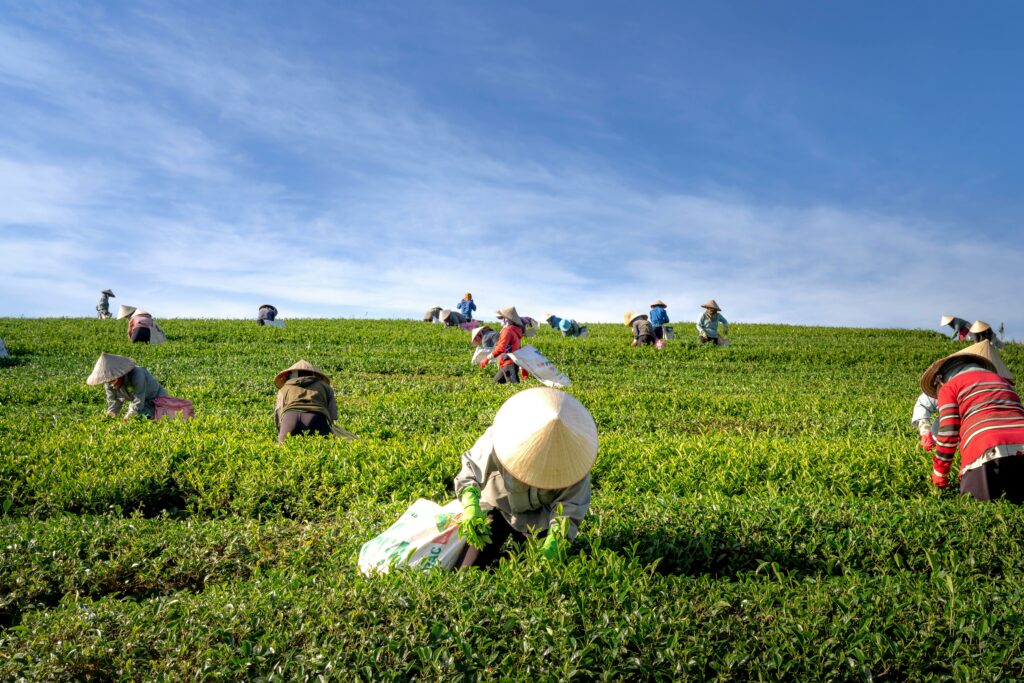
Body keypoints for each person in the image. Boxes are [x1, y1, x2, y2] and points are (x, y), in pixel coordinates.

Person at [454, 387, 598, 568]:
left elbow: (569, 510)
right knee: (468, 566)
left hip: (538, 519)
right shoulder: (499, 437)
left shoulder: (575, 465)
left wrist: (555, 542)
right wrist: (470, 505)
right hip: (498, 506)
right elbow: (470, 470)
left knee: (529, 569)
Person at [921, 340, 1024, 501]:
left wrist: (939, 473)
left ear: (941, 379)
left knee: (978, 509)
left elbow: (948, 432)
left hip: (986, 448)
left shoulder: (950, 386)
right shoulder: (1003, 382)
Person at [274, 360, 354, 444]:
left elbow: (278, 410)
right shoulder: (325, 387)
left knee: (283, 451)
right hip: (316, 418)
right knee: (325, 449)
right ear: (314, 374)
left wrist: (281, 429)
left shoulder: (284, 388)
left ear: (291, 374)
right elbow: (333, 414)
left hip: (289, 418)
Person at [86, 352, 169, 420]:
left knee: (141, 418)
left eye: (112, 380)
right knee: (135, 417)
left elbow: (139, 400)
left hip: (157, 401)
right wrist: (110, 416)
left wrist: (128, 417)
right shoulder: (108, 383)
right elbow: (114, 401)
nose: (110, 383)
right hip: (141, 404)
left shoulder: (137, 375)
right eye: (108, 381)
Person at [480, 306, 526, 383]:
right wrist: (522, 367)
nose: (501, 320)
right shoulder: (515, 331)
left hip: (508, 363)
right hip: (509, 363)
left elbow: (501, 347)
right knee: (495, 384)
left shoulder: (507, 330)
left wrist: (487, 358)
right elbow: (518, 349)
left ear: (506, 319)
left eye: (502, 318)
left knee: (514, 387)